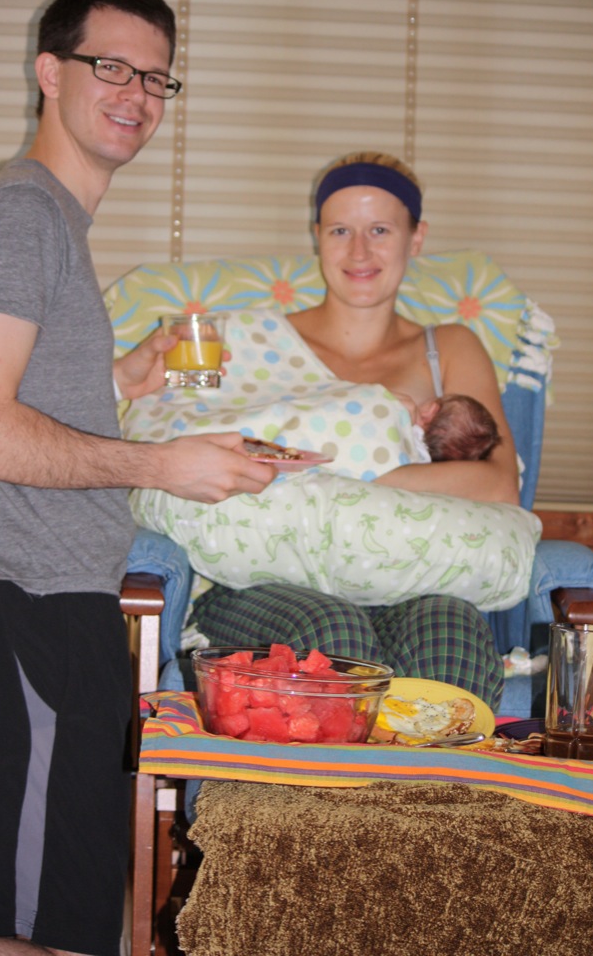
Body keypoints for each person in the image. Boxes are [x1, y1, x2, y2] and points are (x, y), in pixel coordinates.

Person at [0, 0, 274, 956]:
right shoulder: (20, 214)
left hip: (58, 614)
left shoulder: (54, 224)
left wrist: (123, 376)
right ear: (50, 71)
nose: (137, 93)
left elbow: (20, 404)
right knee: (3, 934)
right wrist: (162, 463)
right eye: (111, 66)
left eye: (157, 77)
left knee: (63, 928)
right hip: (24, 612)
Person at [181, 151, 520, 713]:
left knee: (453, 632)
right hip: (261, 584)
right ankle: (309, 777)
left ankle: (431, 777)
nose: (359, 252)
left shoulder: (449, 349)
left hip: (409, 581)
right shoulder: (250, 342)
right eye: (340, 230)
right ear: (317, 236)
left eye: (380, 230)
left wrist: (353, 486)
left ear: (416, 238)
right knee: (330, 632)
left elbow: (499, 483)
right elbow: (181, 434)